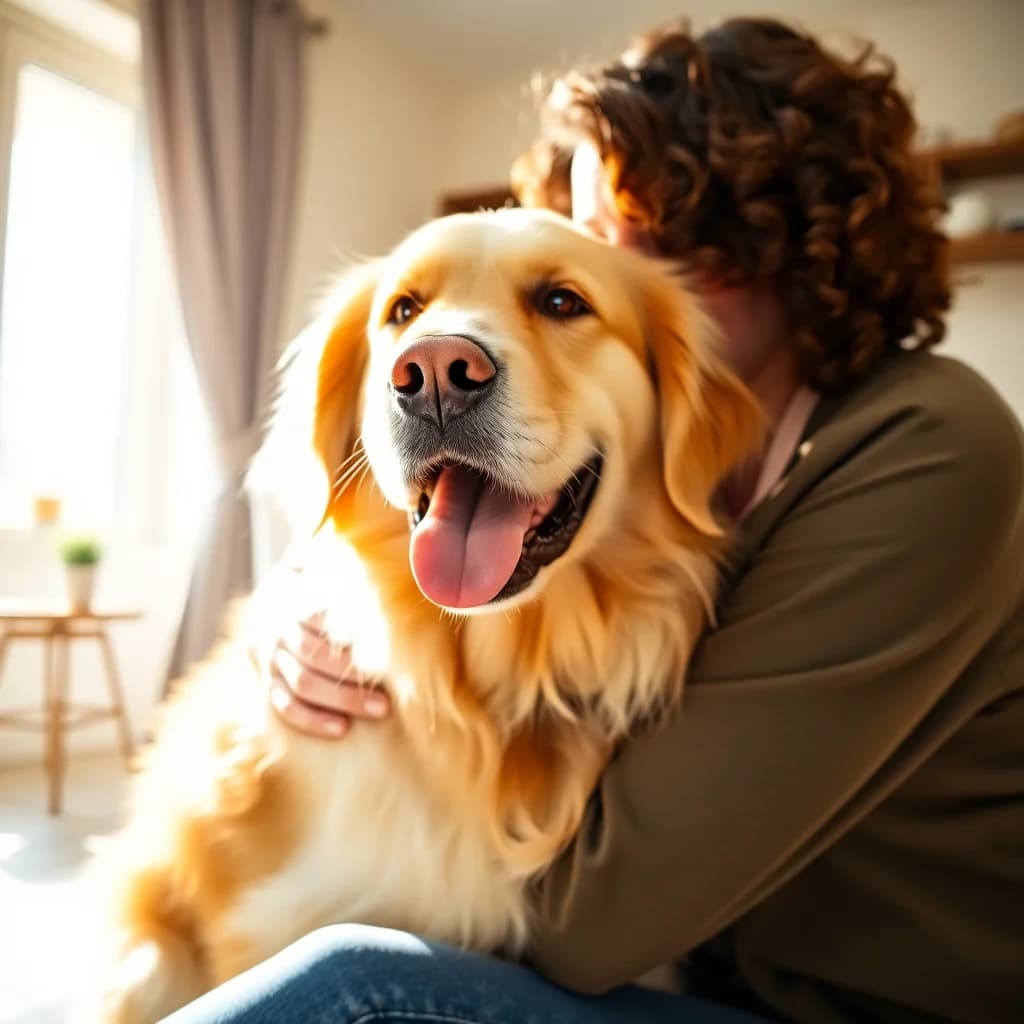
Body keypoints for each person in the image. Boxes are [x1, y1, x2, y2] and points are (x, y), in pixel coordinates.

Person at [167, 17, 1024, 1024]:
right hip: (701, 964)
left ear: (789, 234)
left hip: (845, 1006)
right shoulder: (624, 478)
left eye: (652, 227)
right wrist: (311, 609)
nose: (609, 257)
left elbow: (594, 918)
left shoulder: (928, 445)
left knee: (352, 988)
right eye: (589, 226)